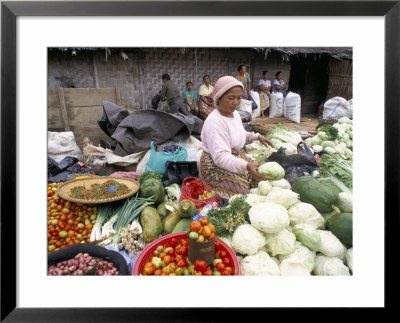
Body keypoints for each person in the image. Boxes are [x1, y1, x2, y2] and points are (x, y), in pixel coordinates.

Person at [200, 76, 274, 201]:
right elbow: (221, 157)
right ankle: (214, 186)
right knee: (243, 193)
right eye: (231, 98)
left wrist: (256, 136)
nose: (236, 102)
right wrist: (246, 166)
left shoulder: (234, 114)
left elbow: (240, 135)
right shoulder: (215, 122)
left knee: (262, 175)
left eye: (239, 98)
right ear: (218, 98)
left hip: (236, 157)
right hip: (214, 166)